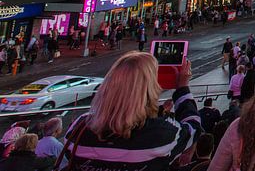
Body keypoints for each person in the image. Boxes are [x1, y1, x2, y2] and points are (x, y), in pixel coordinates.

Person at [60, 51, 201, 171]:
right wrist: (182, 87)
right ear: (148, 88)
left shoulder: (79, 127)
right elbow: (193, 127)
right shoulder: (161, 134)